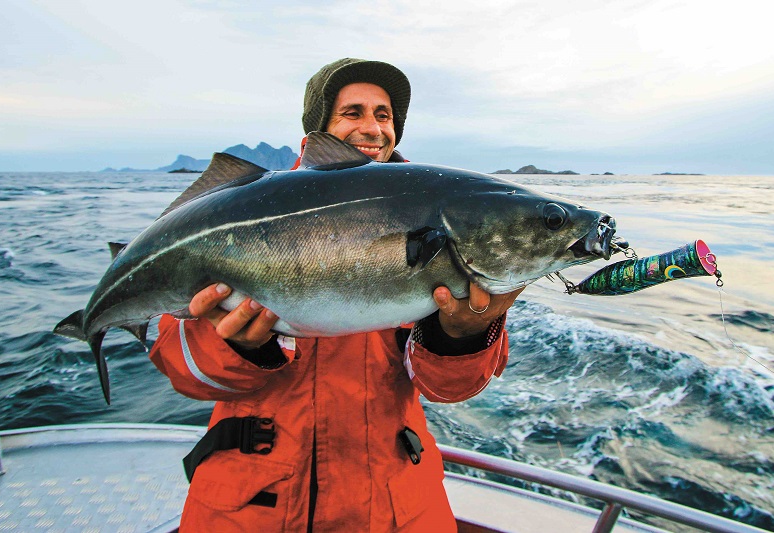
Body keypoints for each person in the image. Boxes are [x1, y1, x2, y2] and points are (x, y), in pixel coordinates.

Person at [149, 58, 524, 532]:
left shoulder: (444, 225)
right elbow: (184, 372)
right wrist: (242, 346)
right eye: (352, 112)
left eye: (384, 115)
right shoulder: (244, 211)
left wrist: (463, 337)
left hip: (392, 509)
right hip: (249, 508)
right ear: (316, 133)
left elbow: (449, 390)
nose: (373, 127)